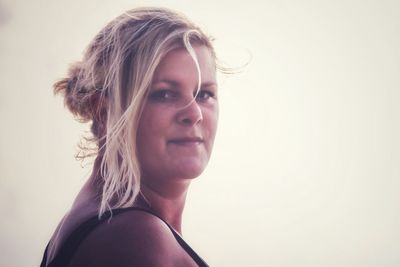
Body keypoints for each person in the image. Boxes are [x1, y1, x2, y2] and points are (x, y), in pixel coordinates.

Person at [40, 7, 222, 267]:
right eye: (165, 94)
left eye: (204, 94)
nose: (194, 114)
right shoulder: (134, 238)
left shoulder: (113, 223)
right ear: (104, 112)